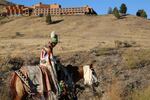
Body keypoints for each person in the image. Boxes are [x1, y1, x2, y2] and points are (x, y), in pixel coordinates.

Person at [39, 31, 60, 99]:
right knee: (54, 73)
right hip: (45, 63)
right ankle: (55, 88)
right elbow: (49, 58)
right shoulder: (49, 47)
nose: (55, 45)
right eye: (55, 43)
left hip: (42, 62)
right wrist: (52, 65)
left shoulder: (48, 45)